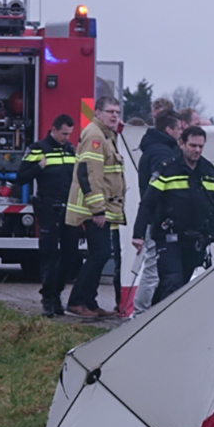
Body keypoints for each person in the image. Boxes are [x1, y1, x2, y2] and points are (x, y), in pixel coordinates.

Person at [63, 98, 127, 320]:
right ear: (97, 113)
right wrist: (98, 209)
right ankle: (77, 301)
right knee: (99, 254)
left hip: (99, 207)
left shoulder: (105, 135)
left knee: (98, 254)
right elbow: (89, 174)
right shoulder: (96, 136)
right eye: (109, 112)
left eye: (117, 112)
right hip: (92, 209)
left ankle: (90, 301)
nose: (114, 116)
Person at [146, 124, 214, 303]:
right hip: (169, 236)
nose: (197, 150)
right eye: (193, 146)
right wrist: (138, 234)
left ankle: (152, 315)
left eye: (200, 146)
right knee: (172, 279)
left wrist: (211, 233)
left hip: (196, 238)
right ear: (182, 144)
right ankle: (162, 324)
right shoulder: (167, 169)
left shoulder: (209, 171)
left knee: (182, 284)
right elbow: (148, 202)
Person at [17, 113, 80, 317]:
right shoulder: (38, 149)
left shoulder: (70, 149)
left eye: (69, 134)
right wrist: (38, 166)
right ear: (53, 130)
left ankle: (57, 293)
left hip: (69, 209)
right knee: (49, 255)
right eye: (63, 133)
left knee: (70, 255)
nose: (66, 137)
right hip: (49, 209)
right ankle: (47, 298)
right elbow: (21, 177)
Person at [129, 109, 186, 316]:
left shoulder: (155, 148)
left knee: (155, 269)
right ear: (168, 129)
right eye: (179, 128)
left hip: (156, 217)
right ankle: (139, 315)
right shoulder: (162, 153)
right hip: (159, 218)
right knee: (152, 271)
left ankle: (144, 313)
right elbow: (159, 192)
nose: (182, 132)